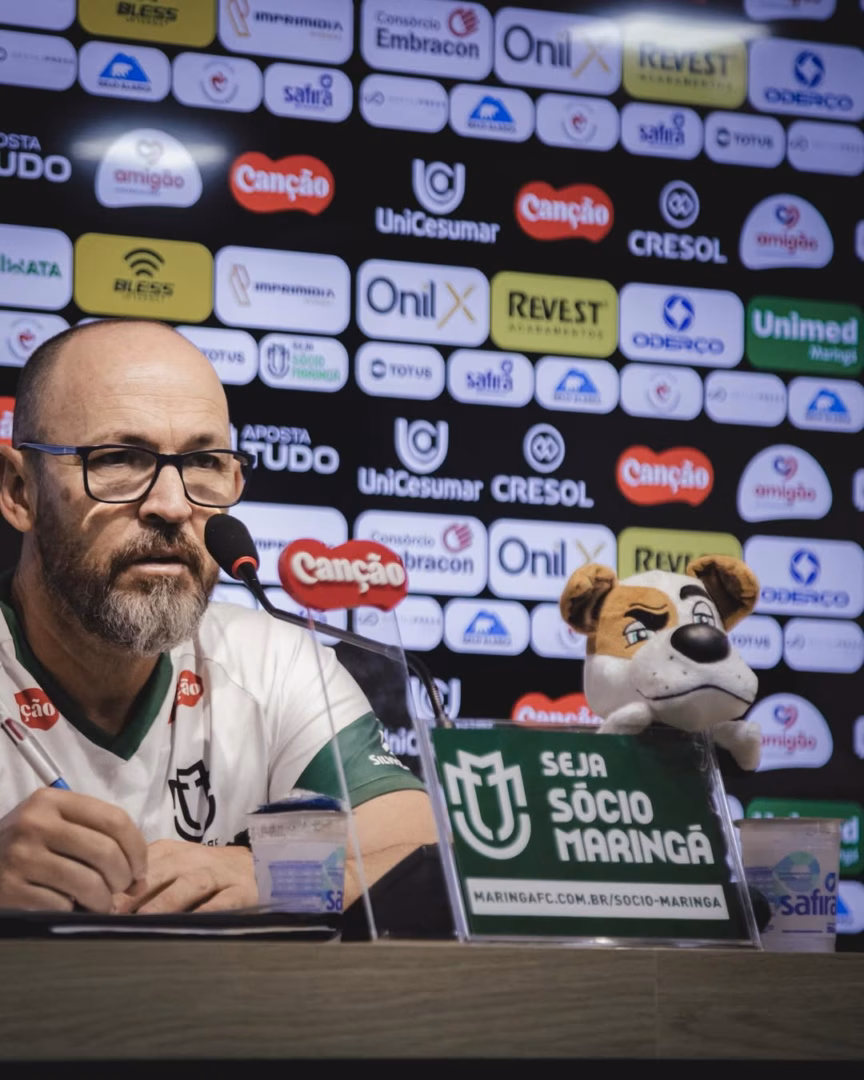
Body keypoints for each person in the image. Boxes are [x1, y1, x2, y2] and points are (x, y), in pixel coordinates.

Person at [0, 319, 438, 914]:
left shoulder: (274, 661)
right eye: (120, 458)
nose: (173, 505)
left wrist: (274, 876)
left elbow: (421, 850)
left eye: (204, 461)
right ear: (20, 490)